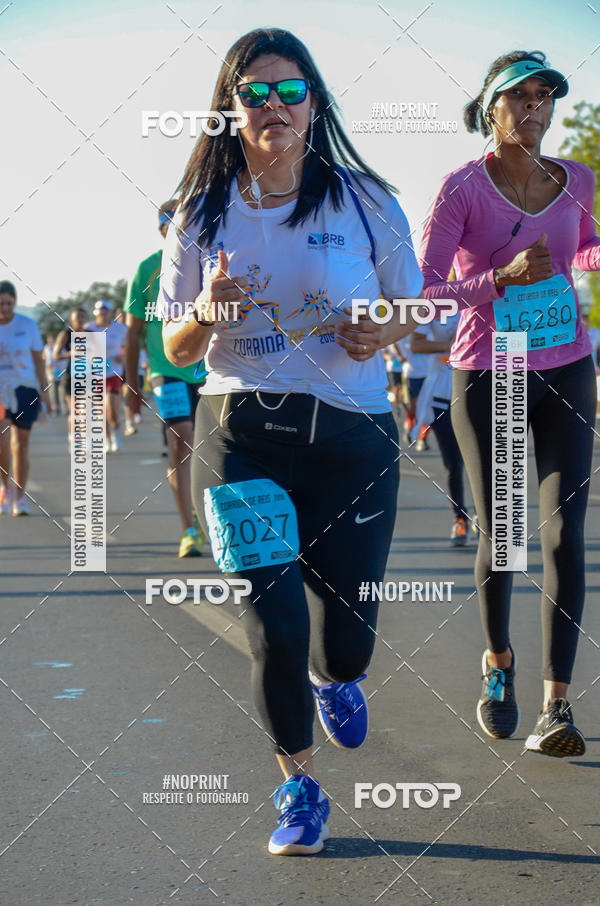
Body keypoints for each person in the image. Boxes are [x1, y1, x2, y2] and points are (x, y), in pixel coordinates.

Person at [159, 28, 423, 855]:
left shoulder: (366, 199)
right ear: (228, 112)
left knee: (345, 635)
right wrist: (207, 310)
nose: (274, 106)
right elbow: (173, 346)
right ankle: (298, 788)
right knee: (272, 619)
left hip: (353, 435)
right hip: (242, 433)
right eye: (255, 94)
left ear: (316, 102)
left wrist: (379, 327)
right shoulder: (202, 214)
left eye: (290, 91)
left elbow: (413, 310)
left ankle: (337, 678)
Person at [420, 51, 600, 757]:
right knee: (505, 534)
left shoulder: (577, 179)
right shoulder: (461, 189)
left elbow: (581, 248)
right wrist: (497, 278)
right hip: (490, 369)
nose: (534, 109)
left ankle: (557, 707)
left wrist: (595, 256)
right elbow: (427, 290)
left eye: (544, 98)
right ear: (490, 109)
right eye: (519, 98)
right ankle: (498, 665)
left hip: (567, 364)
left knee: (565, 533)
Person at [125, 201, 206, 558]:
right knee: (180, 442)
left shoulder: (207, 261)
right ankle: (188, 527)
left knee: (211, 448)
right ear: (160, 230)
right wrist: (131, 384)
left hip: (207, 371)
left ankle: (209, 520)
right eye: (168, 226)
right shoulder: (146, 270)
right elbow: (132, 334)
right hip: (165, 370)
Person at [410, 313, 473, 546]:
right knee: (453, 463)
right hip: (442, 394)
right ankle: (460, 519)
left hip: (479, 390)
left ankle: (485, 515)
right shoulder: (434, 303)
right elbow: (417, 343)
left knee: (487, 462)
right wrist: (456, 344)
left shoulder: (486, 290)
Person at [0, 280, 52, 515]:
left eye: (9, 303)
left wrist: (46, 393)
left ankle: (19, 498)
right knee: (2, 442)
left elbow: (39, 361)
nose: (5, 308)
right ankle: (5, 487)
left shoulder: (28, 325)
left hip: (26, 389)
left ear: (15, 302)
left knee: (21, 444)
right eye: (1, 304)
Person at [87, 300, 127, 452]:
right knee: (100, 411)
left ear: (110, 313)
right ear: (95, 313)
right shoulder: (89, 328)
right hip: (95, 374)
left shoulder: (120, 328)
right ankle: (107, 438)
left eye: (106, 311)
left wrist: (122, 357)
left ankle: (116, 434)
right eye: (100, 311)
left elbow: (127, 347)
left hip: (114, 372)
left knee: (112, 408)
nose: (103, 314)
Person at [53, 307, 88, 452]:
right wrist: (70, 353)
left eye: (82, 317)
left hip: (89, 377)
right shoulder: (66, 334)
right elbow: (55, 356)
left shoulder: (92, 335)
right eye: (76, 317)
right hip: (71, 377)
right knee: (75, 412)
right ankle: (74, 439)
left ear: (86, 319)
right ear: (71, 320)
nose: (79, 320)